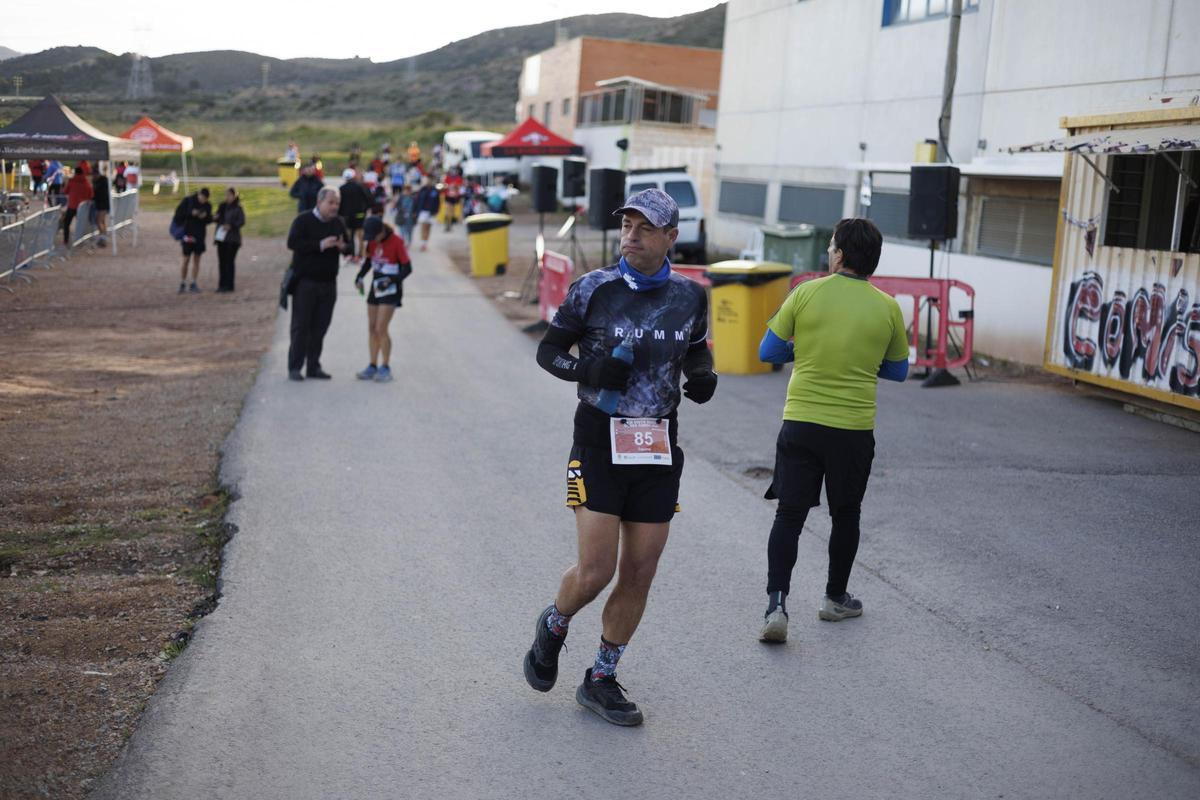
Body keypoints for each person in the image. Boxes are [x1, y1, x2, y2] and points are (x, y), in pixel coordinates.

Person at [521, 188, 718, 727]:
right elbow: (548, 351)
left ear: (670, 238)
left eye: (644, 228)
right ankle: (555, 625)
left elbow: (696, 345)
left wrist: (701, 375)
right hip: (599, 440)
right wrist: (587, 371)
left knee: (640, 570)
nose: (630, 235)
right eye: (626, 225)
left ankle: (601, 678)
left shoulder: (690, 295)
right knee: (596, 571)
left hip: (656, 443)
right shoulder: (593, 289)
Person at [755, 218, 910, 644]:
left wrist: (805, 346)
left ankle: (776, 606)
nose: (828, 251)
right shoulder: (888, 307)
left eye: (831, 246)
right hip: (853, 429)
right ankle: (834, 598)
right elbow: (899, 370)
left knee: (789, 514)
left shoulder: (805, 292)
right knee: (847, 514)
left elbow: (767, 350)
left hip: (801, 421)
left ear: (840, 254)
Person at [285, 187, 350, 381]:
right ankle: (295, 367)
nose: (334, 207)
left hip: (328, 283)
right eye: (331, 203)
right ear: (319, 202)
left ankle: (313, 366)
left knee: (320, 327)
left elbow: (349, 247)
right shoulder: (303, 220)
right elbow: (292, 243)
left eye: (337, 203)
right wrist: (320, 245)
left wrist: (342, 246)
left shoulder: (338, 223)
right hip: (306, 283)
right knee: (301, 326)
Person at [353, 216, 412, 383]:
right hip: (375, 287)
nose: (372, 240)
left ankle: (385, 366)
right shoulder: (372, 241)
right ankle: (372, 365)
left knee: (381, 328)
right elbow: (369, 261)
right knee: (372, 328)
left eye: (374, 237)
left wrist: (392, 280)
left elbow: (408, 268)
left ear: (381, 231)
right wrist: (359, 277)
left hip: (391, 288)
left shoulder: (396, 242)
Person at [174, 188, 213, 293]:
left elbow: (209, 219)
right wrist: (191, 213)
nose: (203, 200)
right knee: (186, 259)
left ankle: (193, 282)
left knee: (197, 260)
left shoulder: (207, 205)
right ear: (199, 194)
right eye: (202, 197)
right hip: (188, 234)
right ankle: (182, 282)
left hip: (199, 236)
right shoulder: (188, 201)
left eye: (205, 199)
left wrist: (205, 217)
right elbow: (178, 215)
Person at [214, 187, 246, 292]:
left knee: (229, 262)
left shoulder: (238, 208)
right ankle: (221, 285)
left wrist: (231, 225)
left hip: (233, 239)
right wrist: (216, 217)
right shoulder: (222, 206)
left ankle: (229, 285)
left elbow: (242, 221)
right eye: (226, 195)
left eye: (229, 195)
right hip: (221, 238)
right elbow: (217, 218)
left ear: (234, 196)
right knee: (221, 262)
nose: (227, 197)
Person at [339, 168, 373, 261]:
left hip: (347, 216)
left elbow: (339, 203)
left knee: (349, 236)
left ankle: (351, 254)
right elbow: (369, 199)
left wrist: (340, 214)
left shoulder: (342, 188)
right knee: (360, 236)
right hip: (360, 215)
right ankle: (360, 255)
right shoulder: (360, 187)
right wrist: (365, 210)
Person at [62, 165, 93, 246]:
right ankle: (81, 240)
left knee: (66, 223)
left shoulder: (72, 181)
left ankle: (66, 240)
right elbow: (91, 194)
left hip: (72, 206)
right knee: (82, 224)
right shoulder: (86, 182)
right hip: (83, 207)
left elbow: (65, 191)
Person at [414, 175, 440, 252]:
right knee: (423, 227)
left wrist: (436, 211)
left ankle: (425, 242)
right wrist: (415, 211)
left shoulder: (435, 190)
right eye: (427, 180)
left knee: (428, 228)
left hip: (431, 212)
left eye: (430, 180)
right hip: (423, 211)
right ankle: (422, 243)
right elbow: (417, 200)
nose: (428, 182)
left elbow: (437, 202)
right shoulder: (422, 189)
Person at [90, 163, 111, 246]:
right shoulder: (102, 180)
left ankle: (103, 237)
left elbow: (98, 194)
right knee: (102, 221)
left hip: (103, 204)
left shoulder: (101, 182)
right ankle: (103, 237)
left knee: (98, 221)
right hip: (102, 204)